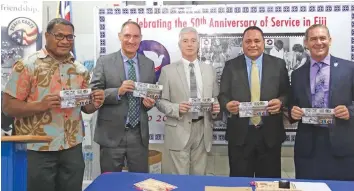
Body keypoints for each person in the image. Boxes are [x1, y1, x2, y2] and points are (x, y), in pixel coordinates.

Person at [2, 18, 105, 191]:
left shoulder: (80, 69)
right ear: (47, 36)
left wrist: (96, 102)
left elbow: (86, 108)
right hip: (39, 147)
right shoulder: (27, 66)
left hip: (72, 147)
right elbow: (8, 107)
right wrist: (39, 105)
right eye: (59, 36)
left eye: (70, 37)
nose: (65, 41)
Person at [218, 26, 290, 178]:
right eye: (248, 41)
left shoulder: (278, 64)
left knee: (270, 184)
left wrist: (281, 102)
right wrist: (227, 105)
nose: (252, 45)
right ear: (242, 44)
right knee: (239, 183)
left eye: (257, 41)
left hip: (270, 134)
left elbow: (287, 93)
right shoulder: (231, 66)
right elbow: (223, 95)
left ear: (264, 43)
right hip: (240, 135)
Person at [289, 24, 354, 181]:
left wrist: (350, 111)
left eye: (322, 38)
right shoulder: (297, 74)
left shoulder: (349, 68)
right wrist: (292, 111)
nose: (318, 42)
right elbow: (291, 104)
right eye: (313, 39)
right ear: (306, 43)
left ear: (330, 40)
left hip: (341, 146)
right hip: (308, 148)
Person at [90, 20, 156, 173]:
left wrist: (149, 103)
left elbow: (151, 94)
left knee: (140, 182)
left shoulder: (149, 64)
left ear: (140, 38)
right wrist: (117, 92)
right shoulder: (104, 62)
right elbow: (94, 93)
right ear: (120, 36)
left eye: (135, 36)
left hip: (138, 135)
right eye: (127, 36)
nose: (131, 40)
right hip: (111, 134)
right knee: (111, 183)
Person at [156, 27, 220, 175]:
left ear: (198, 44)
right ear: (179, 45)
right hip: (178, 128)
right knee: (179, 180)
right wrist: (176, 108)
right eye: (185, 41)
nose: (189, 44)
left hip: (203, 130)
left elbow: (214, 97)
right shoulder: (168, 71)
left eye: (193, 41)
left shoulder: (209, 70)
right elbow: (159, 101)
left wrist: (215, 108)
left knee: (200, 178)